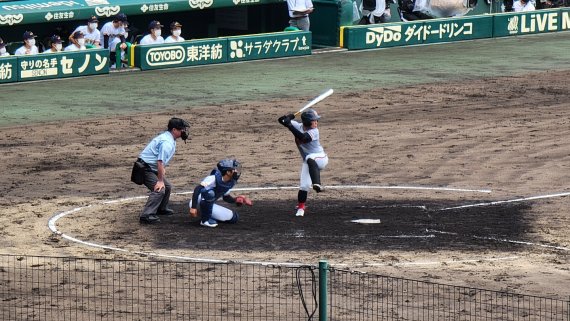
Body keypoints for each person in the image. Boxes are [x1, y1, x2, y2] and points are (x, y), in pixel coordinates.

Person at [137, 117, 190, 224]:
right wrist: (160, 180)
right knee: (160, 189)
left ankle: (161, 208)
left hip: (151, 167)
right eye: (182, 129)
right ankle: (147, 215)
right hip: (144, 169)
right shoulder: (166, 142)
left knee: (168, 187)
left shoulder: (168, 137)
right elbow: (160, 162)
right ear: (174, 130)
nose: (184, 131)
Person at [278, 108, 328, 217]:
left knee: (310, 157)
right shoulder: (298, 126)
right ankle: (301, 208)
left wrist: (289, 125)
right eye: (314, 120)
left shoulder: (315, 131)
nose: (316, 122)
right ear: (307, 122)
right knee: (304, 185)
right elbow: (281, 120)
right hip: (309, 161)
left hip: (320, 158)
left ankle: (317, 184)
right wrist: (289, 117)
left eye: (316, 120)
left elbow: (303, 138)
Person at [189, 159, 253, 228]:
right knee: (210, 193)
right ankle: (205, 220)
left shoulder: (229, 182)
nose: (237, 171)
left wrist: (236, 200)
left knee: (234, 218)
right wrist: (193, 207)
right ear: (228, 172)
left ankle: (209, 216)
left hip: (208, 206)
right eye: (234, 169)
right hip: (197, 202)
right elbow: (197, 189)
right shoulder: (213, 178)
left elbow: (226, 197)